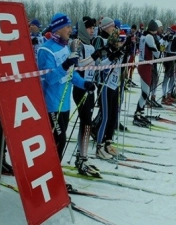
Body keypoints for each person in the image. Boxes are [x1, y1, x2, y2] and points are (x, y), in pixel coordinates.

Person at [37, 13, 95, 162]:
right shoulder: (46, 50)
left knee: (60, 142)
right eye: (68, 26)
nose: (71, 29)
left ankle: (56, 175)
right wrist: (64, 65)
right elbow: (49, 79)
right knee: (59, 140)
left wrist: (83, 83)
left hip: (65, 104)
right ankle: (51, 176)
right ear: (58, 28)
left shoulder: (65, 47)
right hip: (52, 105)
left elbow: (71, 74)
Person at [71, 16, 102, 177]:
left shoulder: (90, 44)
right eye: (89, 28)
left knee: (87, 123)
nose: (92, 31)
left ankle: (81, 156)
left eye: (93, 28)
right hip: (80, 88)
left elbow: (95, 66)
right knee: (86, 122)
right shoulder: (77, 43)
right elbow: (78, 65)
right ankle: (81, 158)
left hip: (90, 87)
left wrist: (111, 52)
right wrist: (95, 56)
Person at [91, 16, 124, 159]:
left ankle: (108, 143)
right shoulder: (100, 40)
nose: (114, 29)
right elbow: (99, 65)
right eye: (111, 27)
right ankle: (99, 146)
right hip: (104, 83)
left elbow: (120, 63)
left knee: (113, 115)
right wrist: (112, 56)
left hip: (114, 83)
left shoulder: (115, 43)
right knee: (105, 116)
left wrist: (124, 51)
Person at [133, 20, 160, 126]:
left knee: (146, 92)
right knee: (145, 92)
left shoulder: (145, 36)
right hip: (145, 66)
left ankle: (140, 112)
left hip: (145, 65)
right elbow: (156, 52)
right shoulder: (149, 37)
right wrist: (159, 49)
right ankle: (137, 114)